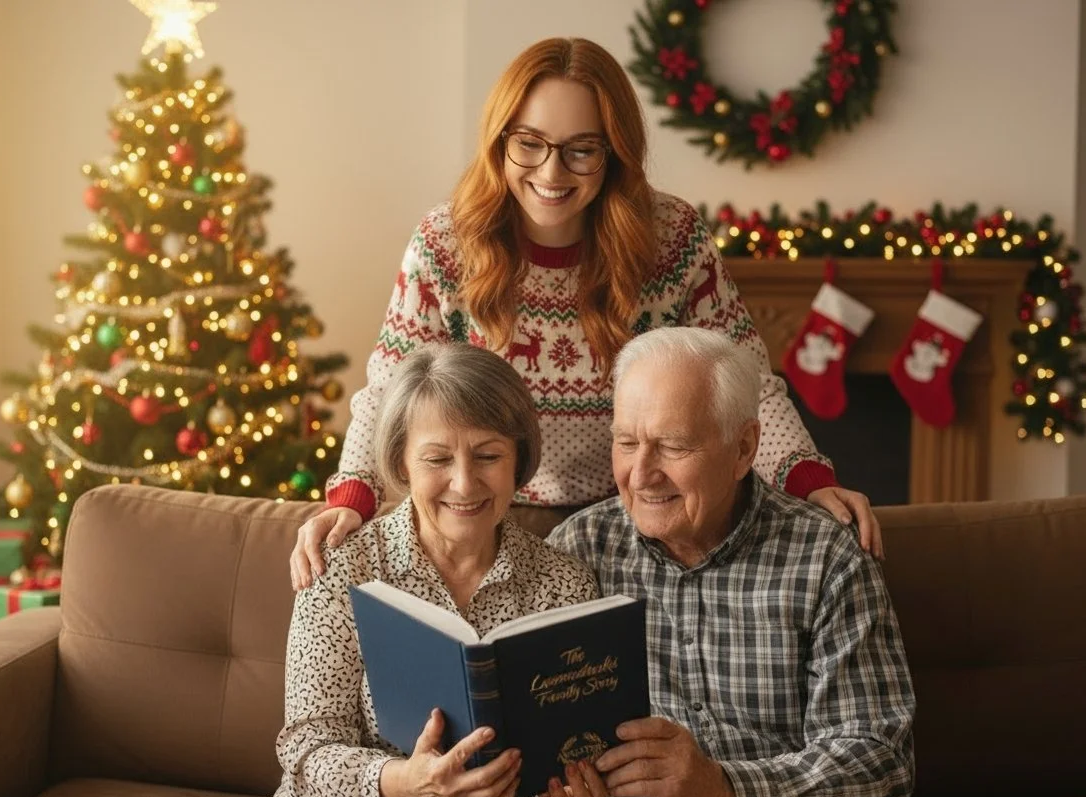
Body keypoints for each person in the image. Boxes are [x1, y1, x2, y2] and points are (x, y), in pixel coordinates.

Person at [291, 36, 882, 591]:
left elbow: (747, 383)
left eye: (581, 150)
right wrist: (350, 498)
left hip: (634, 520)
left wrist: (810, 480)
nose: (551, 172)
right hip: (496, 518)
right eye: (529, 143)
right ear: (500, 141)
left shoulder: (671, 239)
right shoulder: (446, 244)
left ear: (614, 153)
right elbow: (388, 390)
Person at [549, 328, 919, 797]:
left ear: (744, 447)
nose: (642, 473)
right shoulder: (580, 550)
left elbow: (880, 761)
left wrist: (726, 789)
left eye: (673, 446)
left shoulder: (826, 555)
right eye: (627, 442)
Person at [248, 344, 618, 797]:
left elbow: (585, 787)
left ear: (518, 461)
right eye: (437, 458)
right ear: (402, 462)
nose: (464, 484)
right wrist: (405, 783)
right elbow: (309, 753)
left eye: (488, 456)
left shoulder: (564, 585)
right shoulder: (342, 568)